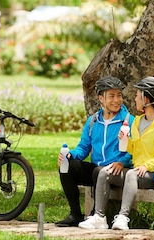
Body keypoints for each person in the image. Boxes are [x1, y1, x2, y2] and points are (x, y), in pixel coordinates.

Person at [79, 76, 154, 231]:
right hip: (138, 171)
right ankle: (99, 218)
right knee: (104, 172)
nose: (135, 98)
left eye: (138, 95)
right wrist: (125, 141)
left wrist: (147, 165)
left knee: (131, 174)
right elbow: (134, 149)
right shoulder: (137, 121)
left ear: (146, 99)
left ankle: (123, 217)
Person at [55, 75, 134, 227]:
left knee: (99, 171)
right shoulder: (93, 121)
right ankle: (75, 214)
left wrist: (122, 162)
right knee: (67, 167)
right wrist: (70, 155)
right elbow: (83, 148)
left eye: (119, 95)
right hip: (96, 171)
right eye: (111, 96)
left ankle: (95, 214)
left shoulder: (129, 121)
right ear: (101, 99)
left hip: (116, 170)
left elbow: (135, 149)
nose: (116, 100)